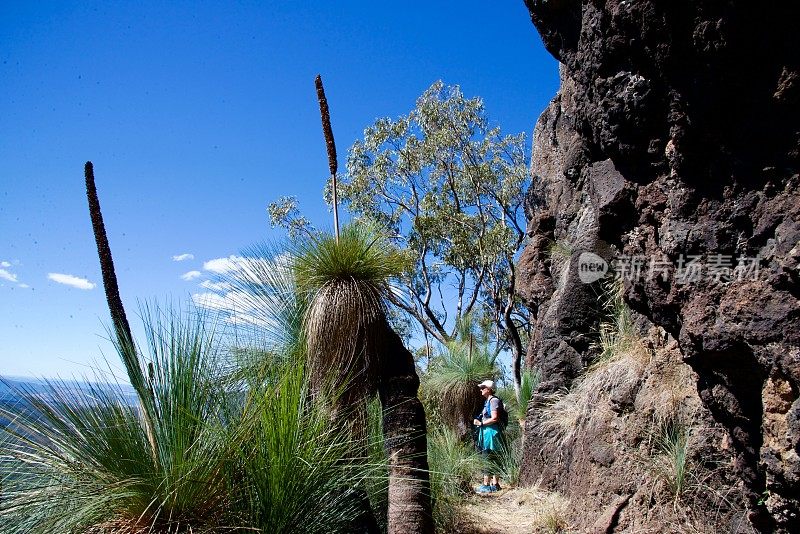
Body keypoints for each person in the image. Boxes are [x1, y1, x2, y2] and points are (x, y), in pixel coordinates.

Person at [473, 379, 502, 493]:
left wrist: (481, 423)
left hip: (490, 434)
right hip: (488, 433)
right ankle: (495, 485)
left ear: (489, 389)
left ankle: (486, 485)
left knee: (487, 457)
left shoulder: (493, 401)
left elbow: (495, 418)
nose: (481, 390)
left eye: (483, 387)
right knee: (492, 457)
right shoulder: (488, 401)